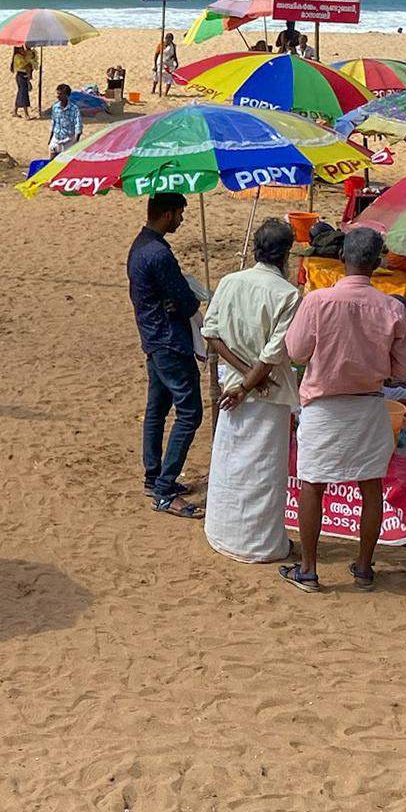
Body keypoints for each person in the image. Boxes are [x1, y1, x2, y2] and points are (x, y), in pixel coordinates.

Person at [280, 228, 406, 592]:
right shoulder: (392, 307)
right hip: (368, 407)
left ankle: (308, 570)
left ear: (342, 258)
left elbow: (295, 352)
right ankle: (364, 568)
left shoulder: (318, 301)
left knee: (312, 486)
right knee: (371, 487)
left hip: (324, 407)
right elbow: (403, 372)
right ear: (377, 263)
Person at [200, 218, 302, 563]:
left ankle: (224, 533)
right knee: (264, 473)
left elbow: (211, 335)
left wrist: (244, 379)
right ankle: (259, 544)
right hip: (264, 394)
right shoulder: (288, 294)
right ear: (285, 255)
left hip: (236, 389)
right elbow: (273, 353)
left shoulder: (230, 281)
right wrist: (251, 380)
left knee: (231, 465)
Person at [128, 193, 203, 517]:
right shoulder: (158, 254)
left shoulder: (140, 247)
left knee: (157, 410)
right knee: (189, 413)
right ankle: (165, 488)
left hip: (153, 338)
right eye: (179, 214)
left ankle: (153, 476)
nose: (182, 220)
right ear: (168, 214)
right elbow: (187, 302)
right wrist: (184, 302)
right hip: (170, 342)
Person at [46, 83, 82, 158]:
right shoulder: (55, 107)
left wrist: (76, 142)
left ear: (66, 95)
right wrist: (50, 138)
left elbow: (78, 126)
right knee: (52, 160)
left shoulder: (74, 109)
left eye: (60, 94)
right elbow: (53, 123)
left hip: (68, 141)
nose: (58, 96)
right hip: (56, 139)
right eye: (57, 93)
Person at [11, 45, 38, 118]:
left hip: (24, 75)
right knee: (23, 94)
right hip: (21, 75)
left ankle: (15, 111)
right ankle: (26, 114)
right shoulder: (18, 56)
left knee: (21, 93)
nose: (23, 49)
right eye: (21, 48)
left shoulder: (23, 55)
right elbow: (22, 65)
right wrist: (28, 64)